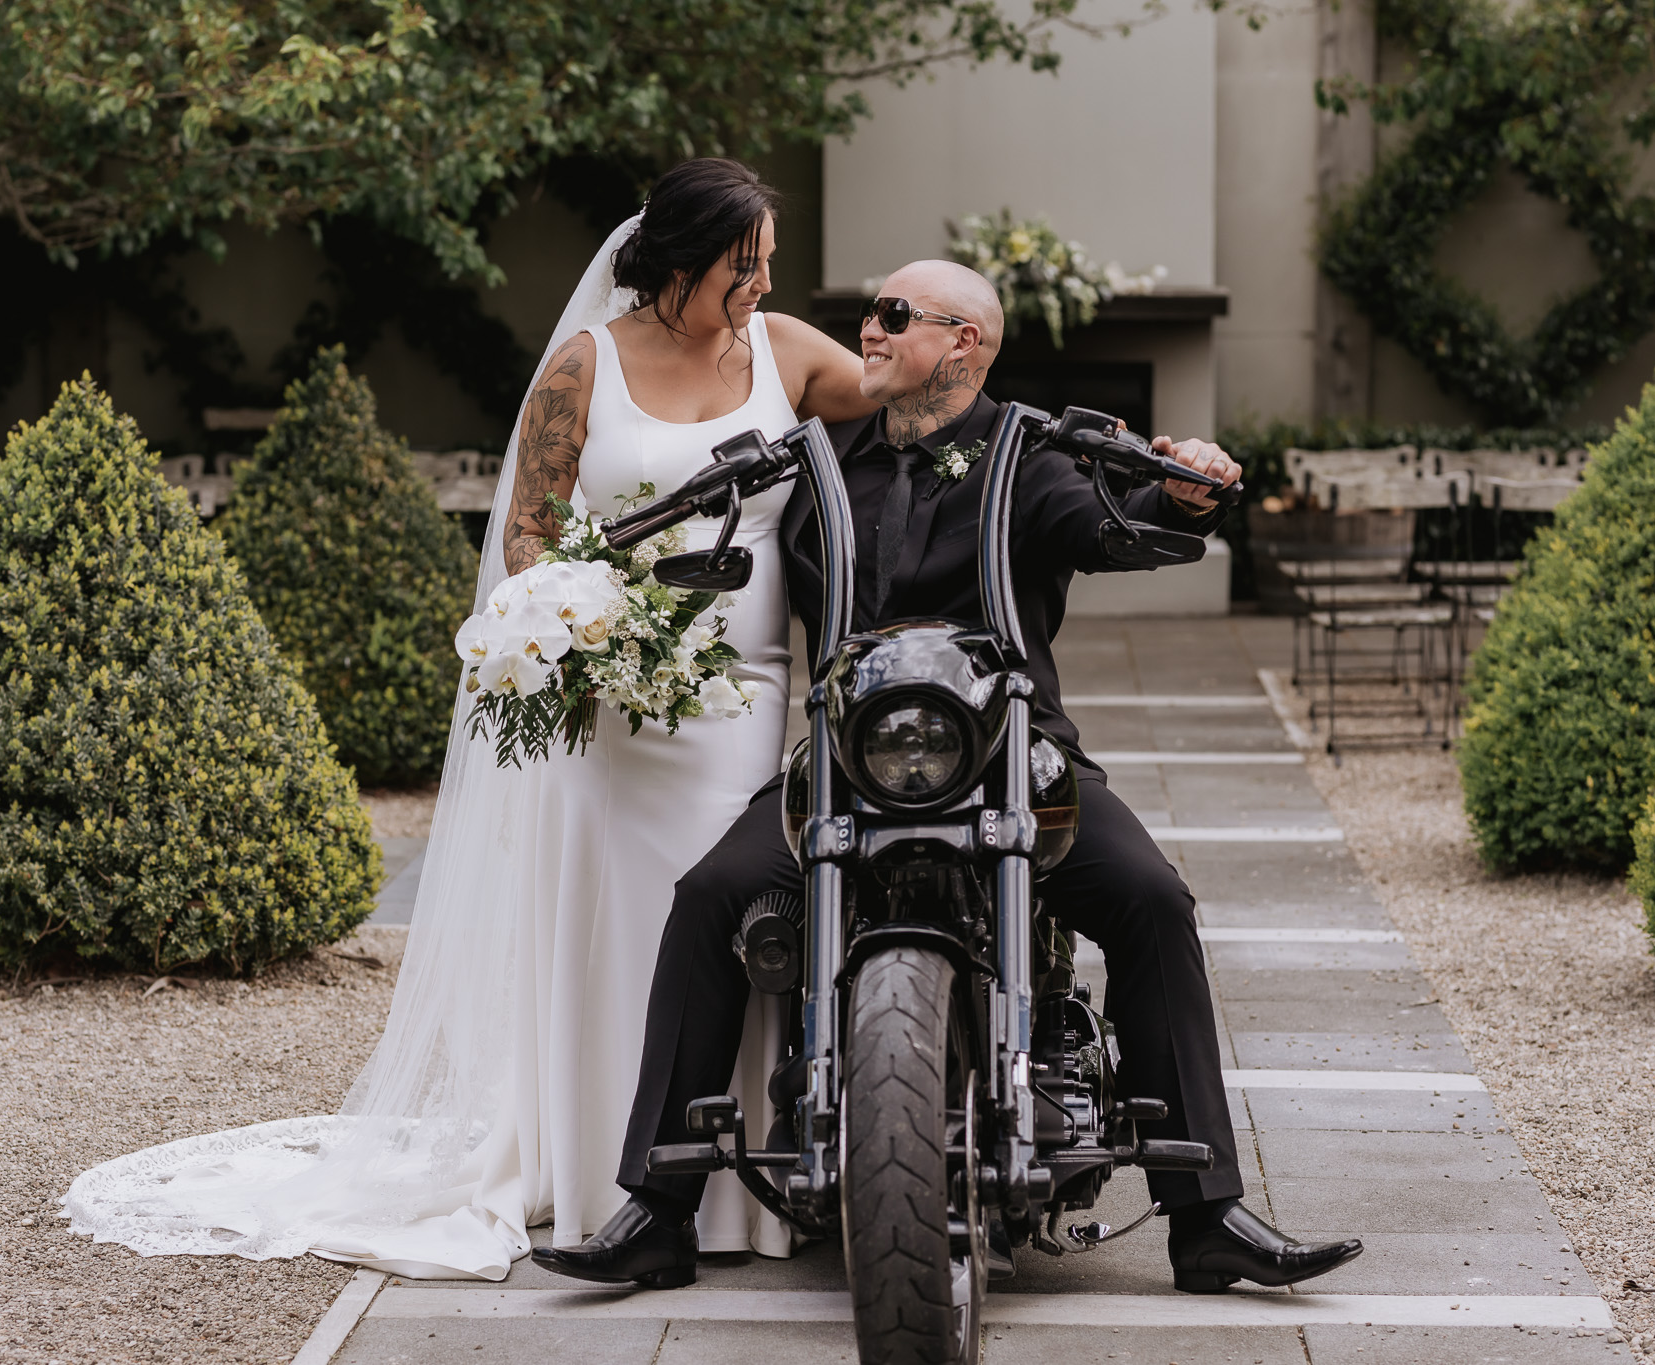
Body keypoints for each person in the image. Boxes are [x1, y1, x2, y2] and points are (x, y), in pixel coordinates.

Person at [63, 159, 872, 1279]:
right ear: (680, 260)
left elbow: (910, 398)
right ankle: (609, 1178)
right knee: (618, 928)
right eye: (745, 263)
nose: (762, 281)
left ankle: (744, 1188)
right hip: (614, 714)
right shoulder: (585, 367)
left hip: (743, 700)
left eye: (767, 262)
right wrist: (583, 628)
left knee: (739, 922)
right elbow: (529, 534)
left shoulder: (785, 354)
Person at [531, 260, 1365, 1294]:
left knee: (1153, 901)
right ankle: (655, 1211)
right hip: (844, 758)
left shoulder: (1032, 455)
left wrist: (1186, 489)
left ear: (960, 342)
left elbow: (1114, 520)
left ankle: (1206, 1217)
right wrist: (587, 591)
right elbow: (700, 524)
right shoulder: (813, 461)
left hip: (1017, 757)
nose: (865, 335)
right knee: (709, 897)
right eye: (865, 316)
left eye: (890, 317)